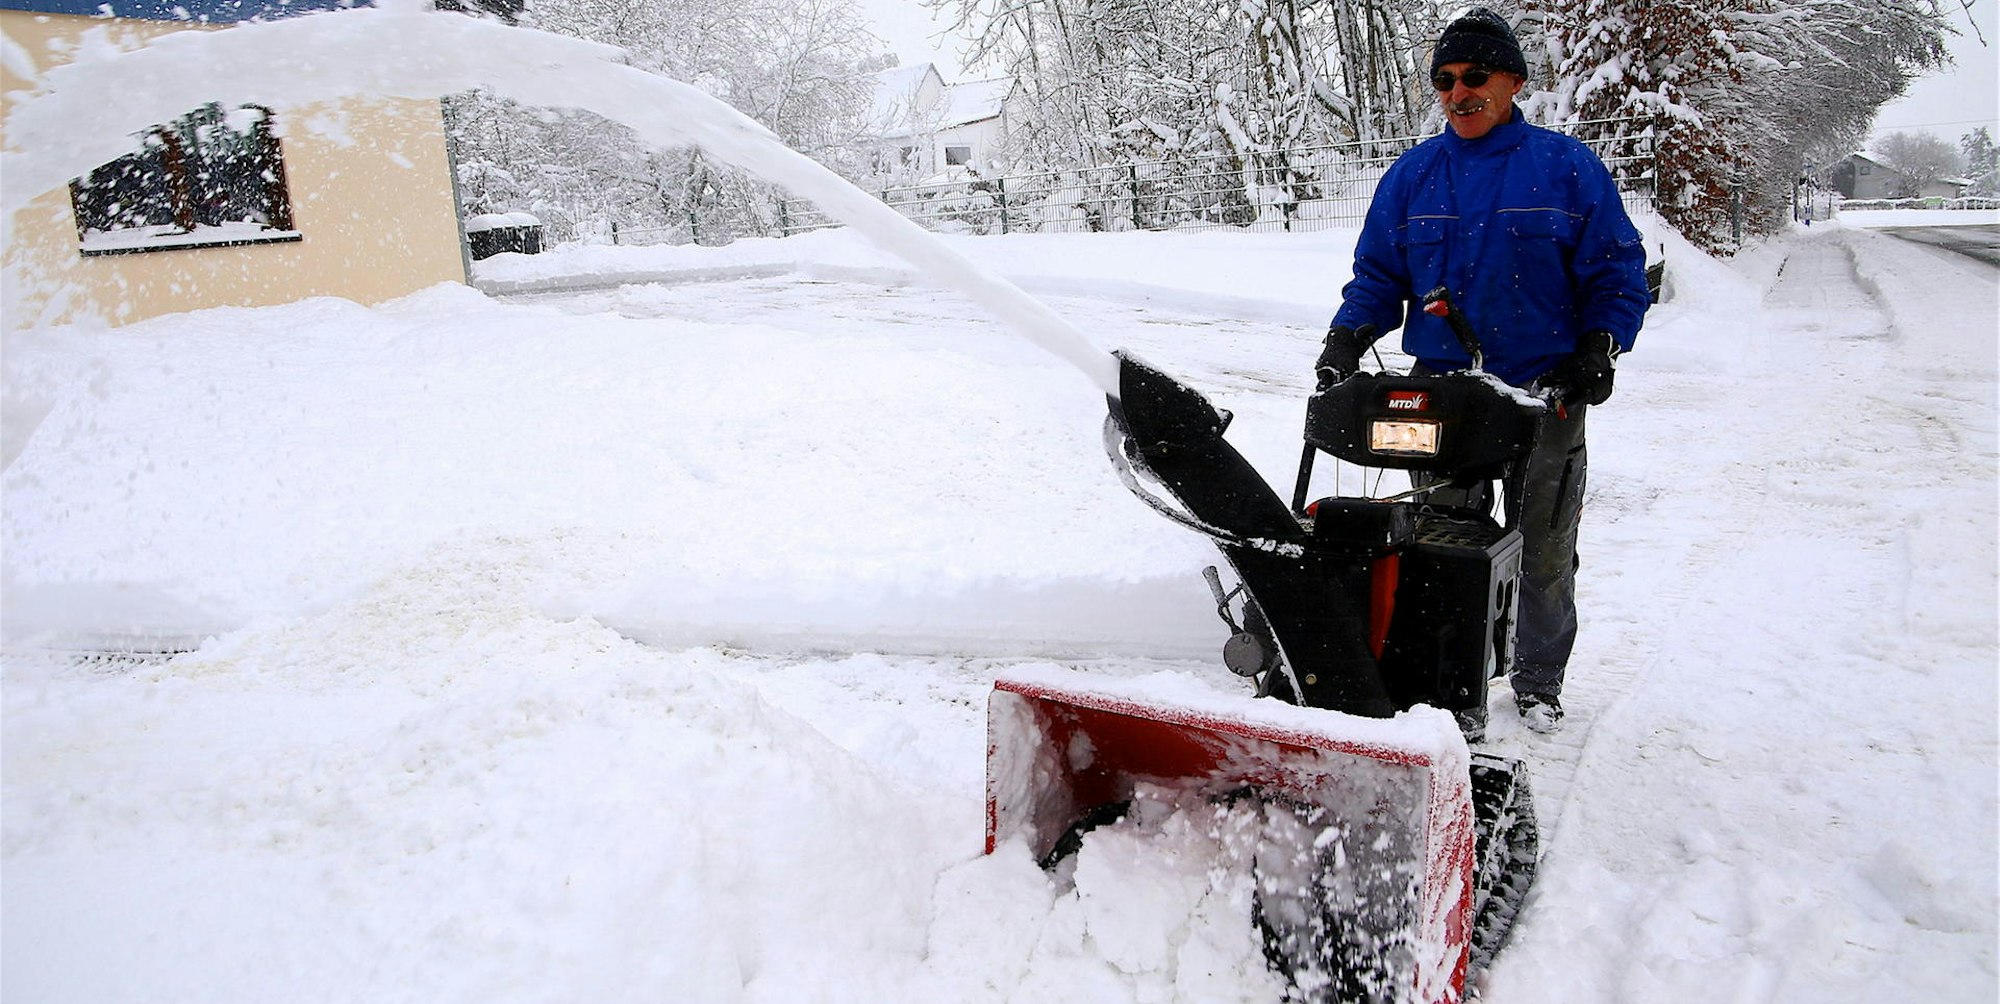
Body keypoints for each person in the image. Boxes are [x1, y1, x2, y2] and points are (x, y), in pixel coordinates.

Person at [1315, 7, 1650, 736]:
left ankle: (1536, 682)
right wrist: (1347, 337)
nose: (1458, 92)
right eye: (1444, 80)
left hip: (1545, 392)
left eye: (1475, 77)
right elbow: (1377, 276)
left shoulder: (1565, 168)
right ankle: (1446, 681)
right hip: (1440, 397)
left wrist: (1600, 346)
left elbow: (1617, 273)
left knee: (1544, 545)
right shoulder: (1413, 176)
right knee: (1439, 541)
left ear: (1513, 82)